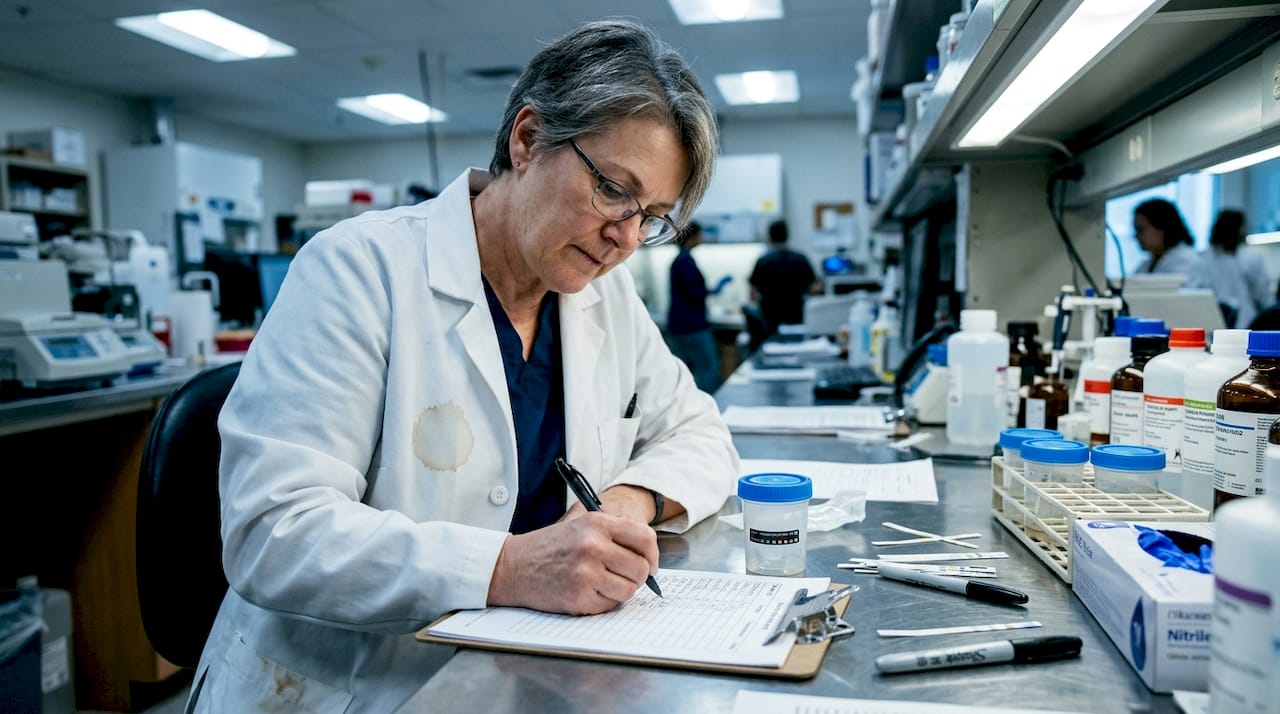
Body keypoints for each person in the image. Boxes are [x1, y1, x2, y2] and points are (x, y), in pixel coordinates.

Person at [192, 20, 737, 713]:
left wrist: (627, 506)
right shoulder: (358, 270)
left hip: (524, 671)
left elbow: (700, 431)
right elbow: (274, 531)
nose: (626, 239)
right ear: (528, 138)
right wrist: (508, 567)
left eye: (652, 216)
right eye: (612, 191)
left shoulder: (605, 293)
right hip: (349, 685)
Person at [667, 221, 731, 392]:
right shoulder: (685, 261)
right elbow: (693, 292)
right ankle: (708, 405)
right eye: (700, 235)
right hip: (693, 326)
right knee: (708, 367)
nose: (702, 239)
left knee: (683, 372)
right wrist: (713, 289)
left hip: (680, 326)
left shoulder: (679, 260)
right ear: (693, 236)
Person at [1201, 209, 1272, 328]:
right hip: (1246, 322)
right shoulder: (1250, 257)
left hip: (1216, 320)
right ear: (1240, 228)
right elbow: (1263, 295)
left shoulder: (1205, 256)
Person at [748, 219, 818, 335]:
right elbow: (814, 289)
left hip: (770, 318)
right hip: (796, 315)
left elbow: (753, 295)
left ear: (770, 237)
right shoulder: (801, 259)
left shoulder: (763, 262)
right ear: (787, 235)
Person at [1130, 198, 1204, 285]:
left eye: (1140, 229)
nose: (1135, 236)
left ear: (1161, 228)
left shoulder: (1186, 261)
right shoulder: (1147, 265)